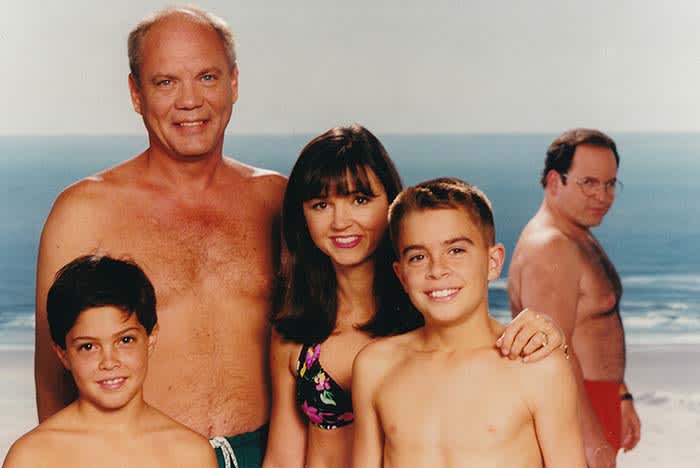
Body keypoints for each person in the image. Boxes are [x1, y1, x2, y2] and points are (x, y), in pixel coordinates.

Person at [34, 6, 285, 467]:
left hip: (272, 455)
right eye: (166, 82)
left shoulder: (277, 200)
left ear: (233, 83)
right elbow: (54, 379)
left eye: (207, 77)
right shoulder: (84, 212)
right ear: (136, 93)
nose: (190, 101)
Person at [263, 127, 566, 468]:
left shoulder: (431, 306)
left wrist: (548, 334)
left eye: (360, 200)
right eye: (321, 205)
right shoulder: (296, 335)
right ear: (302, 216)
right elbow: (282, 460)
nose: (340, 222)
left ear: (390, 204)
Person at [351, 178, 585, 468]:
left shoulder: (536, 366)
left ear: (493, 262)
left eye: (456, 251)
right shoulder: (375, 367)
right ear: (402, 276)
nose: (437, 270)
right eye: (418, 257)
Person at [508, 129, 641, 468]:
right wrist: (592, 443)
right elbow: (554, 356)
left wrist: (621, 394)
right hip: (574, 419)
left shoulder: (576, 233)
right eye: (589, 183)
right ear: (555, 181)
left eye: (610, 184)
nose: (603, 196)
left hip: (596, 405)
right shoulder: (550, 246)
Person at [5, 255, 217, 468]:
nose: (109, 362)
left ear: (150, 340)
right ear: (63, 354)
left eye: (125, 340)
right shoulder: (31, 457)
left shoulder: (191, 455)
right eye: (88, 346)